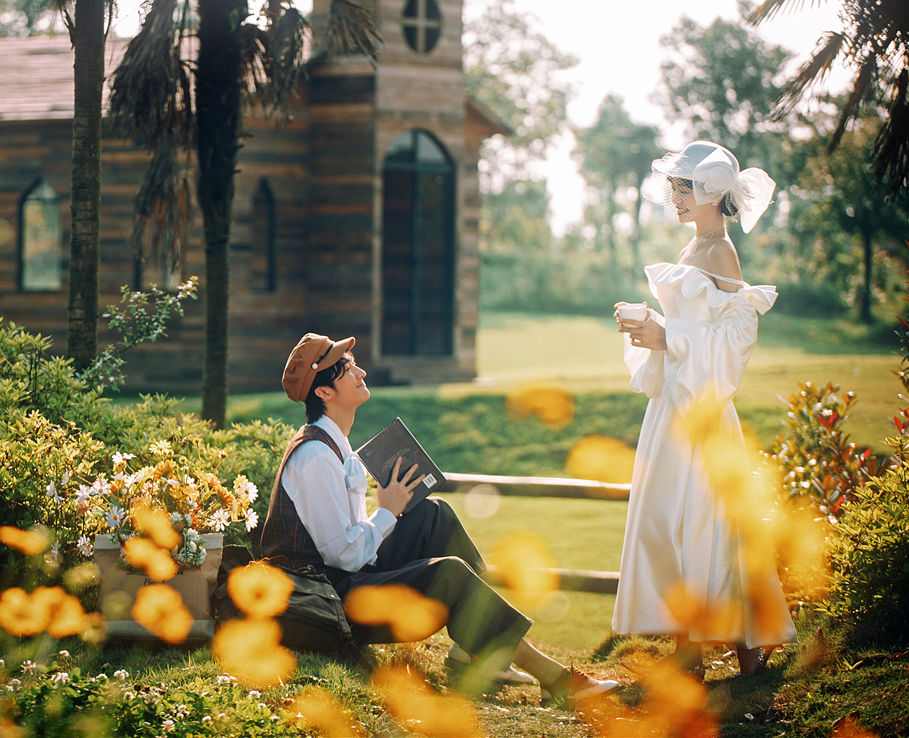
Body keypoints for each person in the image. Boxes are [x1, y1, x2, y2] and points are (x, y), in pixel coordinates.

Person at [263, 333, 620, 703]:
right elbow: (344, 555)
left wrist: (393, 511)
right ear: (324, 392)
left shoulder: (336, 445)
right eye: (348, 368)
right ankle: (555, 679)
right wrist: (387, 510)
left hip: (346, 578)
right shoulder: (316, 457)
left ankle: (474, 650)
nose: (361, 371)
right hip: (330, 603)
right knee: (449, 573)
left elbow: (351, 545)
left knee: (434, 515)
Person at [613, 141, 797, 677]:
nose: (675, 197)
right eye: (675, 187)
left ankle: (733, 650)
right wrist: (647, 326)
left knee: (706, 518)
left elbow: (734, 336)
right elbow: (694, 322)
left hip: (702, 405)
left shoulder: (721, 251)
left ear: (713, 193)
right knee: (669, 516)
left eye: (684, 187)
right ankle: (694, 648)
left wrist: (666, 333)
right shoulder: (692, 248)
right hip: (674, 401)